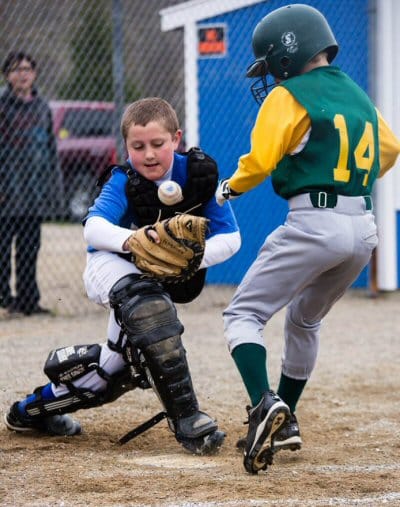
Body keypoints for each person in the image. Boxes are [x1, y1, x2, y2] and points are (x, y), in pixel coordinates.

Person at [215, 4, 400, 474]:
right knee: (304, 320)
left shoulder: (289, 95)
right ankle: (288, 418)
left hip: (314, 221)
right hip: (362, 226)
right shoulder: (358, 96)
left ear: (285, 55)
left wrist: (227, 189)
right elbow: (391, 148)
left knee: (243, 314)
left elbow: (259, 161)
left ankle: (264, 405)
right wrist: (351, 178)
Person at [4, 97, 241, 456]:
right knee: (148, 306)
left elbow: (232, 237)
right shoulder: (124, 179)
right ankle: (189, 420)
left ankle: (30, 411)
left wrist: (193, 257)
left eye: (158, 144)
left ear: (176, 138)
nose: (148, 154)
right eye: (137, 146)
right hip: (109, 264)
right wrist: (134, 241)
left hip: (148, 279)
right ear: (126, 146)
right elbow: (94, 229)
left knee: (114, 369)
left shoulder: (198, 175)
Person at [0, 51, 62, 315]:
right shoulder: (2, 107)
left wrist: (52, 189)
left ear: (34, 74)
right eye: (16, 69)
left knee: (29, 249)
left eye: (27, 69)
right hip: (6, 192)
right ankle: (4, 300)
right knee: (2, 251)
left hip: (33, 193)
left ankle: (28, 301)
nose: (22, 74)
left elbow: (49, 150)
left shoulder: (41, 108)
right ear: (7, 76)